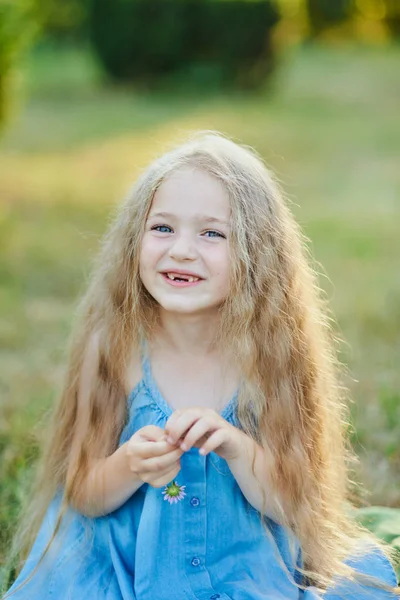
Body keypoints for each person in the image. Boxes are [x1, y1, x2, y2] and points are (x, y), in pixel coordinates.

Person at [3, 132, 399, 600]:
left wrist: (237, 448)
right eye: (163, 228)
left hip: (243, 567)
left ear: (258, 255)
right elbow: (83, 492)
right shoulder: (114, 347)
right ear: (134, 240)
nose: (182, 250)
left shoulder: (270, 357)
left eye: (212, 233)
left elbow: (295, 504)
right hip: (124, 566)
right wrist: (128, 464)